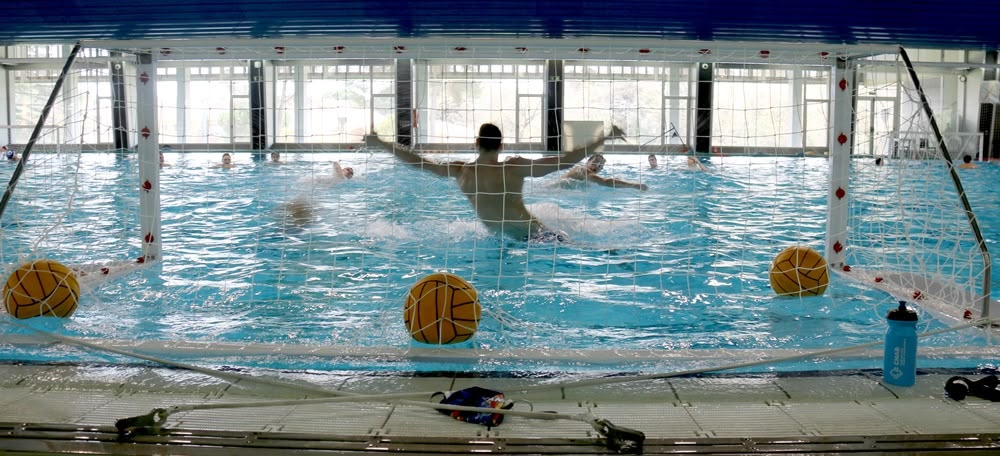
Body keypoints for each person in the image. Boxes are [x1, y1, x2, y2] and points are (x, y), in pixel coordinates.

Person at [365, 122, 626, 242]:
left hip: (512, 238)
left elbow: (416, 162)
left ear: (476, 143)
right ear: (501, 145)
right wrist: (603, 137)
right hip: (538, 237)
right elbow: (565, 160)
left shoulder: (460, 172)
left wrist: (382, 144)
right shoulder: (514, 168)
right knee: (582, 250)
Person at [561, 153, 648, 190]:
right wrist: (634, 185)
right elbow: (605, 182)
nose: (596, 167)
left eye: (600, 166)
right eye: (595, 163)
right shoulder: (582, 170)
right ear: (588, 162)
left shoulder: (588, 177)